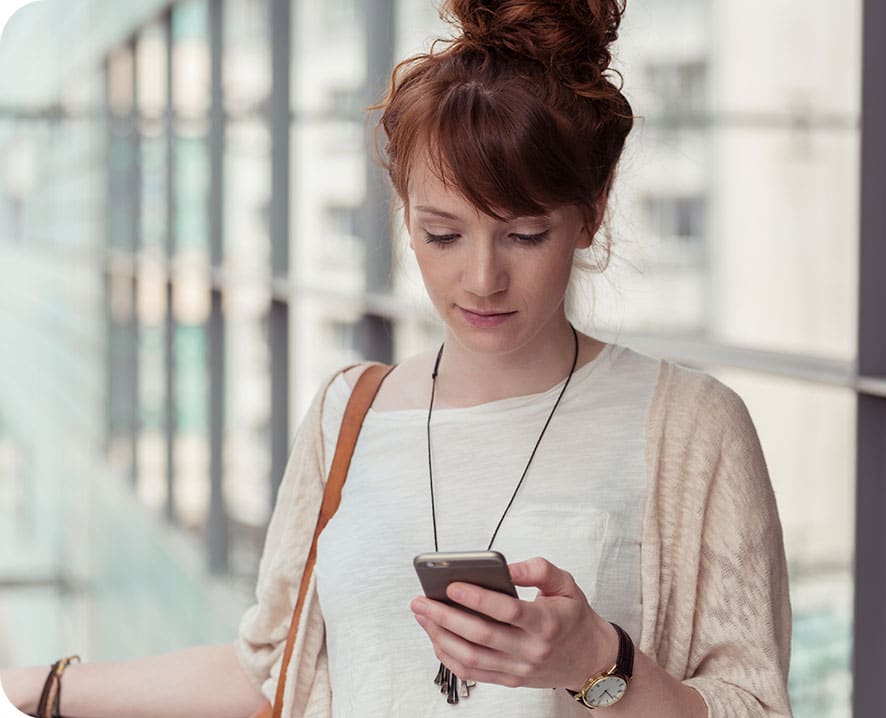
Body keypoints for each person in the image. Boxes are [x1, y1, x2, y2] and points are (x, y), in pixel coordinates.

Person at [0, 0, 792, 715]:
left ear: (591, 215)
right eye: (442, 233)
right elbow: (270, 672)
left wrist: (597, 662)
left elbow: (754, 707)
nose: (480, 277)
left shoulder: (690, 427)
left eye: (524, 234)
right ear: (403, 214)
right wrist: (41, 689)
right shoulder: (350, 412)